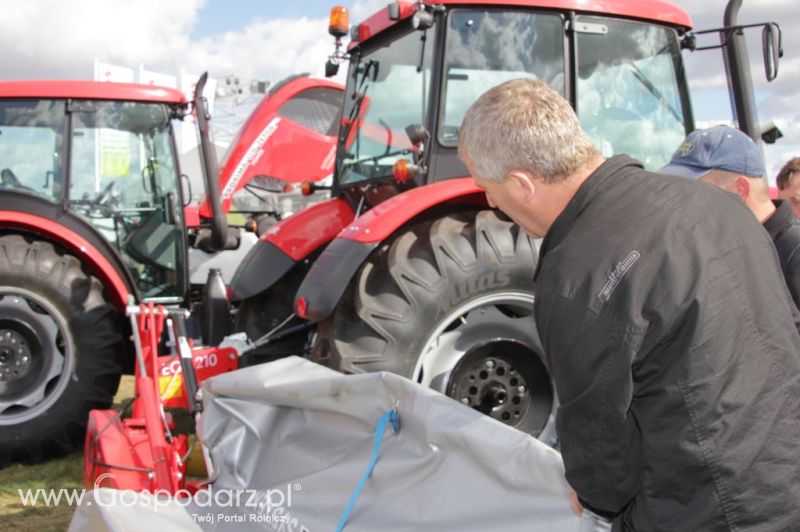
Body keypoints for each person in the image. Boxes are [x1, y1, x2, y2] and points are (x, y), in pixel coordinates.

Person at [457, 78, 800, 531]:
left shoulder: (576, 273)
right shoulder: (717, 205)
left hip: (707, 511)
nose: (489, 201)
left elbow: (602, 466)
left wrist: (594, 492)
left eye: (488, 187)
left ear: (522, 185)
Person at [660, 125, 800, 310]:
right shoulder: (739, 244)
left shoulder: (793, 251)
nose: (686, 201)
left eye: (696, 191)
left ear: (740, 190)